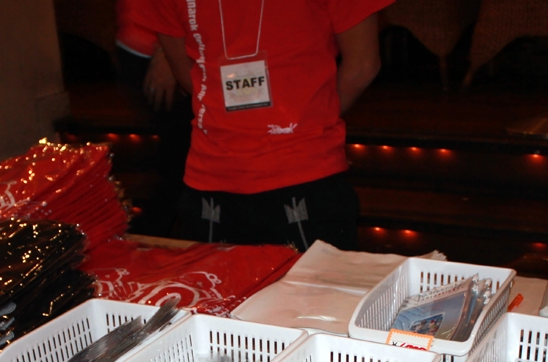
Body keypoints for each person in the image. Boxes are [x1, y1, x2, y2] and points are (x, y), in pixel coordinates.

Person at [135, 0, 388, 250]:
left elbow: (363, 65)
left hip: (303, 175)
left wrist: (308, 120)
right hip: (213, 180)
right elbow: (190, 76)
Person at [116, 0, 193, 237]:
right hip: (155, 42)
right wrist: (167, 48)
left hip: (155, 39)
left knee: (173, 159)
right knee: (177, 160)